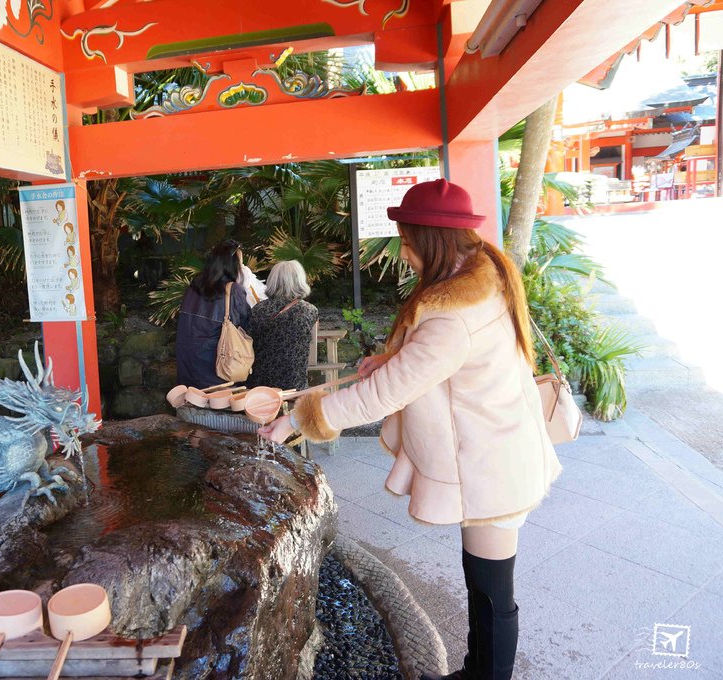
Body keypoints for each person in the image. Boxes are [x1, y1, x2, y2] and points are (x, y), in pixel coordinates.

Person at [260, 179, 563, 680]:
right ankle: (474, 670)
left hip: (492, 464)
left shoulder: (452, 316)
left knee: (491, 589)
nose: (402, 249)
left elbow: (383, 395)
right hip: (496, 449)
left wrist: (296, 420)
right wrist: (391, 357)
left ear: (430, 240)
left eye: (406, 238)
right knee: (482, 581)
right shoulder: (481, 272)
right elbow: (437, 364)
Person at [176, 239, 251, 389]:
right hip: (216, 370)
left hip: (187, 366)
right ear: (231, 265)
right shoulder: (233, 290)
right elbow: (247, 324)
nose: (242, 268)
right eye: (240, 263)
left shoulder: (194, 285)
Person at [247, 260, 318, 390]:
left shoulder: (259, 310)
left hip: (261, 384)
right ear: (300, 281)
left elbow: (248, 342)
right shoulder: (310, 311)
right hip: (295, 383)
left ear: (273, 281)